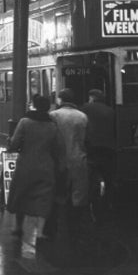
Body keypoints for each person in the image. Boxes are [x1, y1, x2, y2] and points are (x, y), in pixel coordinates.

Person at [6, 95, 63, 241]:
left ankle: (18, 227)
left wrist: (10, 143)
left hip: (26, 163)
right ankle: (40, 232)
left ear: (34, 105)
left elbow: (14, 144)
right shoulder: (52, 125)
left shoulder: (25, 122)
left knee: (21, 194)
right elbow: (57, 147)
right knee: (44, 197)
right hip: (46, 165)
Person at [49, 88, 90, 247]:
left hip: (59, 159)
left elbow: (51, 138)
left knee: (59, 194)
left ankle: (54, 228)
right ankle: (75, 229)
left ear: (60, 100)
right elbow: (87, 139)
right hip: (79, 158)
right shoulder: (82, 116)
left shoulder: (54, 116)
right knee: (78, 195)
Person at [81, 89, 117, 212]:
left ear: (92, 98)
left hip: (92, 148)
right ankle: (109, 202)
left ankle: (91, 202)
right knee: (108, 176)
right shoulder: (110, 111)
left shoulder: (85, 108)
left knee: (91, 177)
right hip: (108, 148)